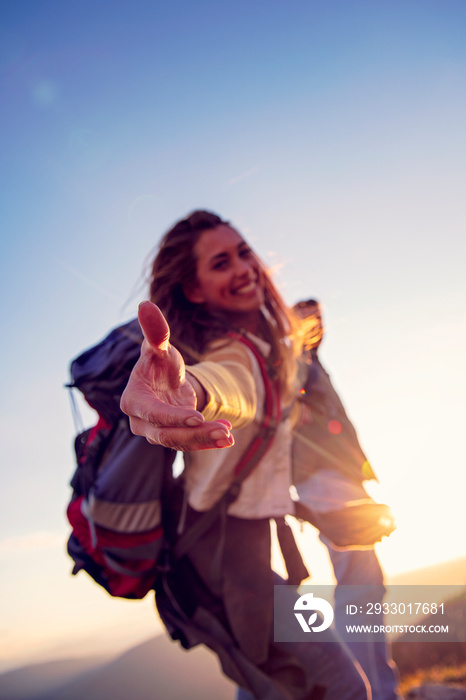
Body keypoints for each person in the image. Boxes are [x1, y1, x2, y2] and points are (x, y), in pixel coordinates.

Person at [121, 210, 370, 700]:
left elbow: (250, 484)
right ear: (195, 290)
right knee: (343, 687)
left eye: (243, 252)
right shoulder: (237, 353)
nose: (244, 268)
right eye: (221, 263)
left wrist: (319, 518)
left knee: (275, 685)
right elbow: (229, 385)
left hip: (232, 557)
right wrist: (188, 387)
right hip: (224, 560)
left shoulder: (264, 349)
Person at [291, 300, 401, 700]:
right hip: (325, 478)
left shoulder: (307, 360)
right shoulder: (293, 360)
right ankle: (370, 690)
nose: (316, 322)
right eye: (307, 318)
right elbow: (290, 411)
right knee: (359, 585)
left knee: (366, 583)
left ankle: (380, 686)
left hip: (336, 478)